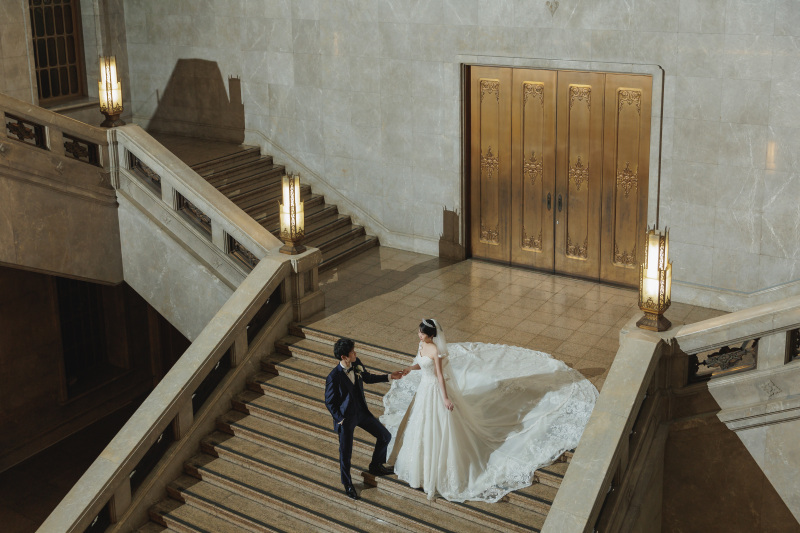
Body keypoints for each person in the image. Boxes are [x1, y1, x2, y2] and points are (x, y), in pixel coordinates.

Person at [381, 319, 599, 503]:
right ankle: (421, 471)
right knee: (423, 427)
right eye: (419, 333)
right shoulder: (421, 347)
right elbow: (421, 364)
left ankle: (438, 475)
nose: (419, 335)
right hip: (424, 392)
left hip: (436, 392)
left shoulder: (435, 350)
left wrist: (446, 398)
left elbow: (439, 375)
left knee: (441, 428)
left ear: (430, 335)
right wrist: (411, 368)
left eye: (421, 333)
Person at [324, 337, 405, 500]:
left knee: (385, 436)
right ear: (344, 357)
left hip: (361, 412)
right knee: (345, 453)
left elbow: (367, 377)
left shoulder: (356, 363)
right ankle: (347, 484)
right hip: (346, 419)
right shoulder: (333, 377)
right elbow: (329, 401)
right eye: (352, 352)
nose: (355, 353)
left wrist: (389, 376)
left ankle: (375, 465)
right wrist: (340, 419)